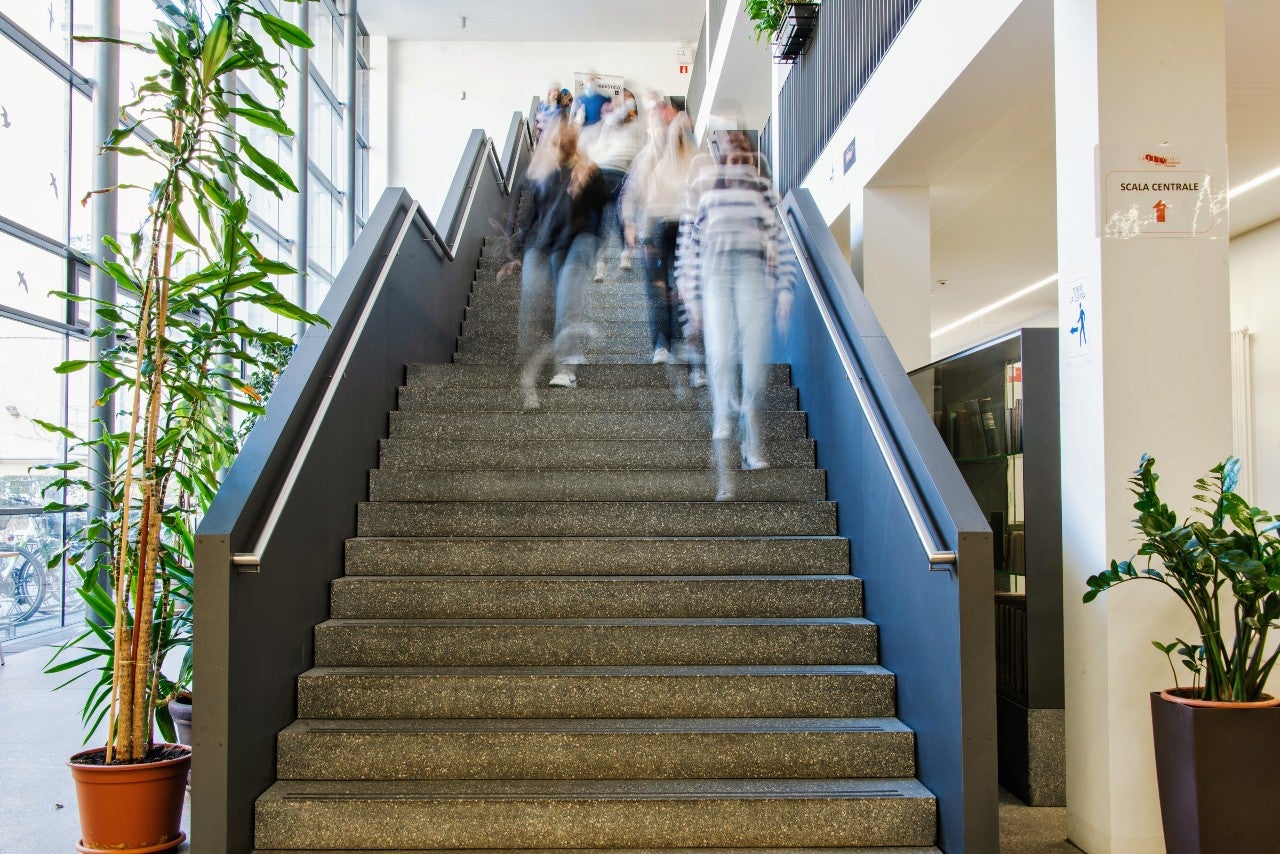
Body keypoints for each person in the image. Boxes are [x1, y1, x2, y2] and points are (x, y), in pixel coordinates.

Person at [675, 140, 793, 500]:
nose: (739, 165)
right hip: (715, 273)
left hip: (753, 271)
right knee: (721, 355)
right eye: (733, 159)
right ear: (723, 163)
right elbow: (688, 248)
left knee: (754, 363)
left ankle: (750, 429)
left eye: (745, 159)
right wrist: (691, 299)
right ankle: (723, 419)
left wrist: (785, 289)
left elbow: (782, 239)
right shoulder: (705, 192)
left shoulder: (763, 192)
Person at [501, 118, 609, 389]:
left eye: (568, 142)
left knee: (566, 300)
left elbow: (605, 202)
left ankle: (565, 368)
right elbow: (532, 215)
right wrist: (514, 253)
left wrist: (591, 178)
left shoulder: (587, 169)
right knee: (540, 301)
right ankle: (542, 359)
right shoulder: (543, 173)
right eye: (557, 142)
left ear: (574, 144)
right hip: (550, 243)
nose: (562, 146)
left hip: (580, 240)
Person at [621, 113, 700, 372]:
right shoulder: (647, 157)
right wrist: (630, 222)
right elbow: (631, 192)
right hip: (653, 226)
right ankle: (661, 344)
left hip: (684, 227)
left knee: (682, 287)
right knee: (657, 288)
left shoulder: (691, 155)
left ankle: (685, 346)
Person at [584, 97, 644, 280]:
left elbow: (636, 153)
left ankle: (623, 255)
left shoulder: (632, 129)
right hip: (601, 174)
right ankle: (601, 263)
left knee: (620, 216)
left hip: (618, 174)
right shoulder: (601, 129)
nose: (609, 112)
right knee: (599, 219)